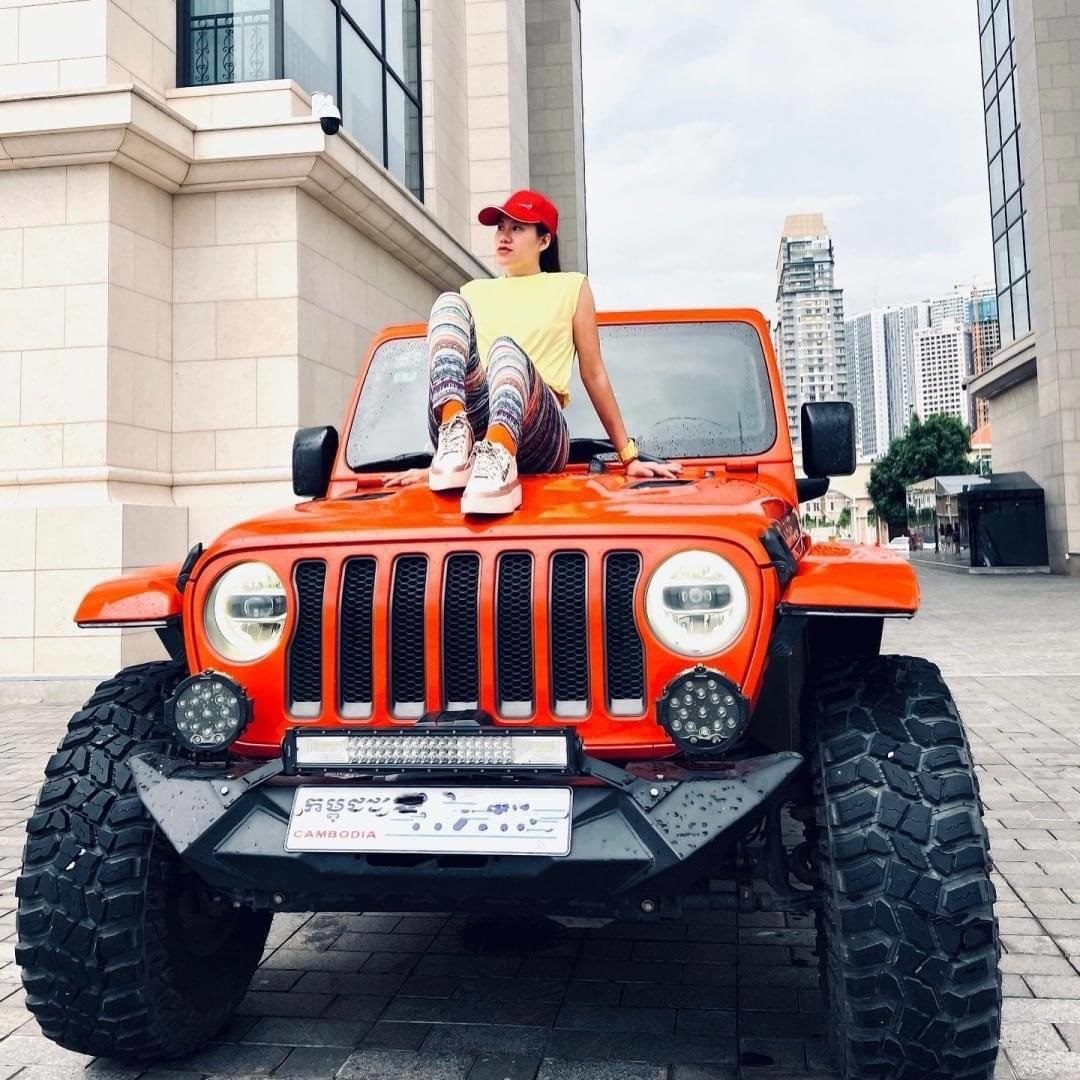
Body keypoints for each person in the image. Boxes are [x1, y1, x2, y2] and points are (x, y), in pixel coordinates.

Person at [385, 188, 680, 513]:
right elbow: (456, 369)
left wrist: (629, 457)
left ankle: (498, 455)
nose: (504, 236)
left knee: (505, 351)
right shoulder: (473, 291)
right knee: (447, 304)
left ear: (544, 240)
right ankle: (454, 453)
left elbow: (594, 374)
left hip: (539, 432)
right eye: (500, 227)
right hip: (478, 420)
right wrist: (432, 468)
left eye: (517, 228)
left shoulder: (571, 287)